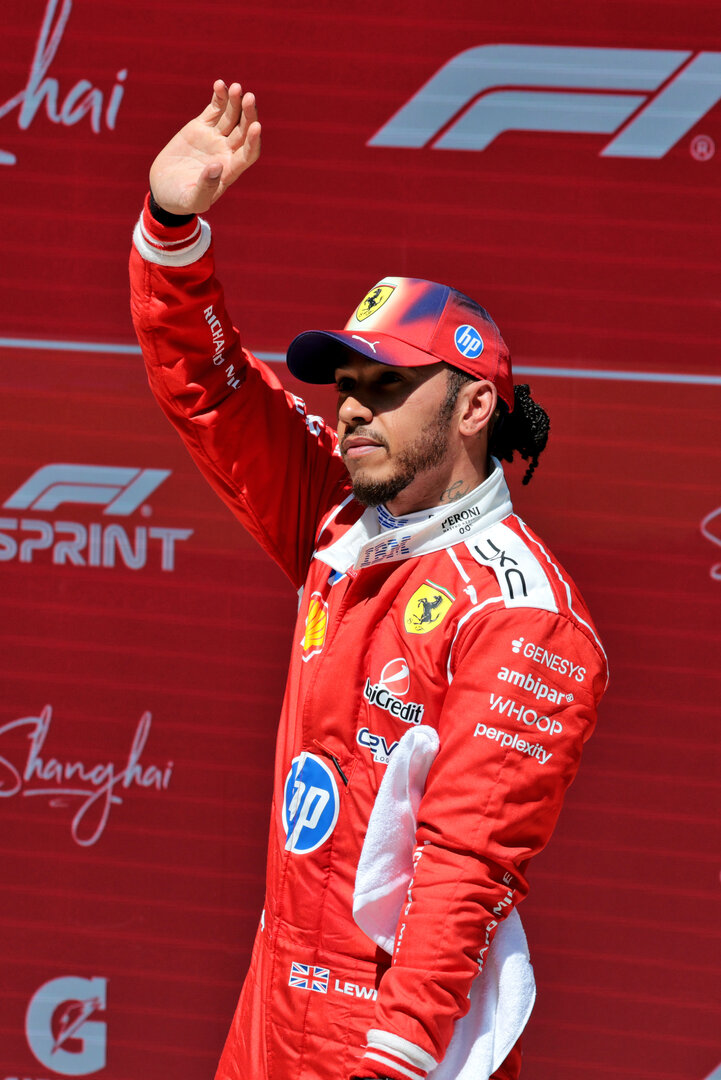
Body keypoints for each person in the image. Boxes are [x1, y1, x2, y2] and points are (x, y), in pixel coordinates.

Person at [129, 81, 608, 1080]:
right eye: (346, 384)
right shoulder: (343, 523)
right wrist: (174, 227)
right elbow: (215, 395)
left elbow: (462, 870)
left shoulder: (522, 611)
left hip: (390, 1038)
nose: (351, 408)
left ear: (474, 405)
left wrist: (391, 1062)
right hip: (272, 1009)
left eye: (387, 385)